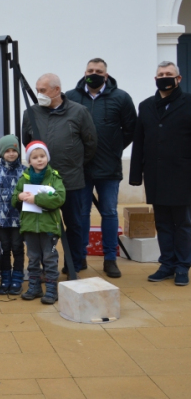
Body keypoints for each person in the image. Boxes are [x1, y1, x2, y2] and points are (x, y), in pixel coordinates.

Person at [66, 58, 137, 278]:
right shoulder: (71, 97)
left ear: (106, 75)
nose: (94, 73)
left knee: (108, 213)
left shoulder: (121, 97)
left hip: (109, 167)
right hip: (80, 168)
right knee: (81, 214)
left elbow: (131, 129)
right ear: (84, 72)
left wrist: (114, 149)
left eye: (98, 71)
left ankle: (110, 259)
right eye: (90, 70)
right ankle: (79, 257)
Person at [22, 73, 97, 275]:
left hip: (71, 180)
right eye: (37, 90)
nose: (39, 94)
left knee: (74, 223)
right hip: (41, 182)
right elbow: (27, 142)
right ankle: (47, 267)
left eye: (43, 90)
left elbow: (90, 143)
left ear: (56, 90)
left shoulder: (79, 112)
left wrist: (74, 163)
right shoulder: (30, 113)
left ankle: (74, 261)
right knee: (44, 226)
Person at [129, 61, 191, 287]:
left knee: (182, 223)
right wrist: (136, 174)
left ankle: (183, 266)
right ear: (155, 79)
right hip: (156, 175)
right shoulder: (146, 106)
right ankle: (167, 264)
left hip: (183, 175)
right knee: (163, 223)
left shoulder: (188, 102)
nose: (164, 77)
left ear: (178, 79)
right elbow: (139, 141)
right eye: (161, 74)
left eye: (169, 74)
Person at [12, 141, 66, 304]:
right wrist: (19, 197)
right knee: (33, 258)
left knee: (50, 258)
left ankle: (51, 290)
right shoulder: (24, 178)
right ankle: (34, 287)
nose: (39, 160)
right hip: (29, 226)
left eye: (42, 156)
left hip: (48, 226)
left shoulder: (54, 177)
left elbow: (59, 198)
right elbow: (15, 198)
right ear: (30, 161)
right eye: (35, 157)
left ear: (47, 158)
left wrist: (37, 199)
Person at [0, 135, 26, 295]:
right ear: (2, 152)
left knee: (18, 248)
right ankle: (5, 278)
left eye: (14, 150)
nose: (11, 154)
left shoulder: (24, 171)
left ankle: (17, 279)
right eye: (7, 151)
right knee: (4, 249)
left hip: (19, 220)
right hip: (0, 221)